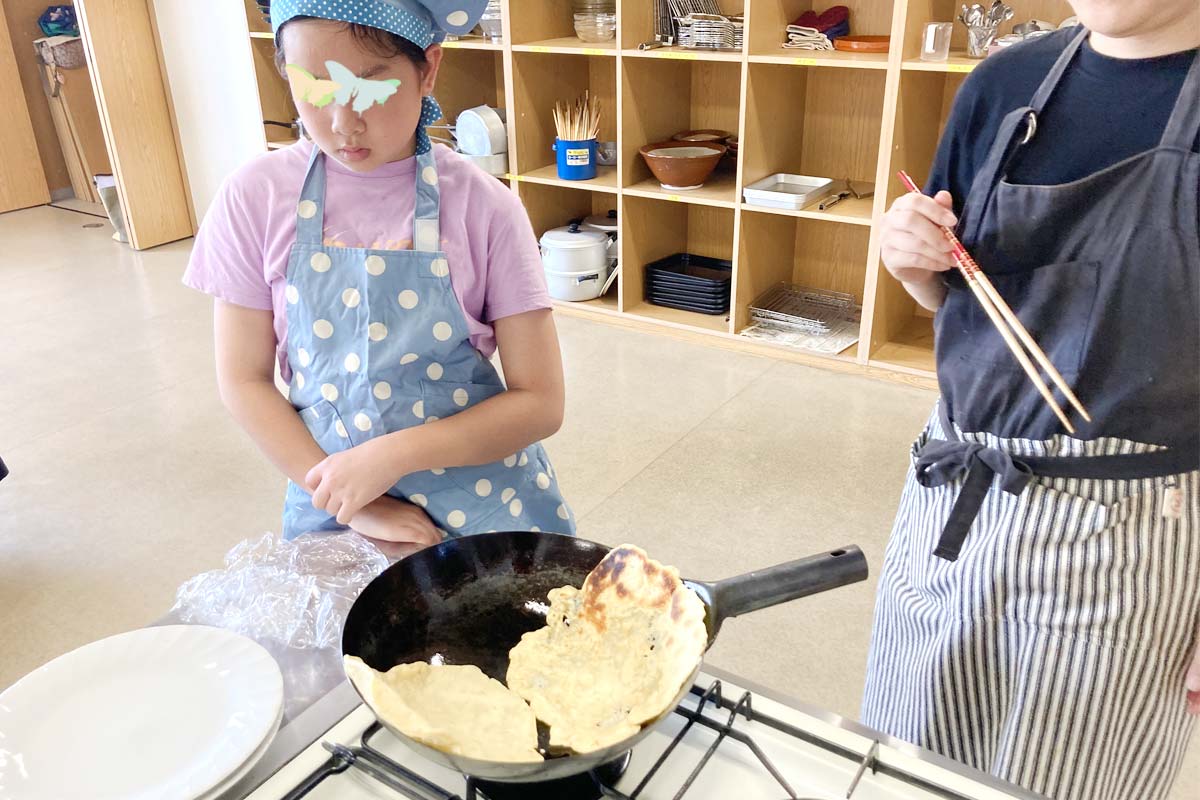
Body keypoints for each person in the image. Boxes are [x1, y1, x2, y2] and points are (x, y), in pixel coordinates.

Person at [860, 2, 1199, 799]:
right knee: (902, 768)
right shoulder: (1004, 83)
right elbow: (963, 307)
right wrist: (910, 260)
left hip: (1126, 538)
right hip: (952, 502)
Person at [183, 0, 576, 551]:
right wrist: (354, 498)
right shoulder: (256, 197)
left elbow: (540, 401)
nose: (344, 121)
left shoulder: (485, 207)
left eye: (369, 86)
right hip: (332, 499)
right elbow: (243, 380)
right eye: (315, 87)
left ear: (428, 69)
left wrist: (391, 456)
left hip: (486, 504)